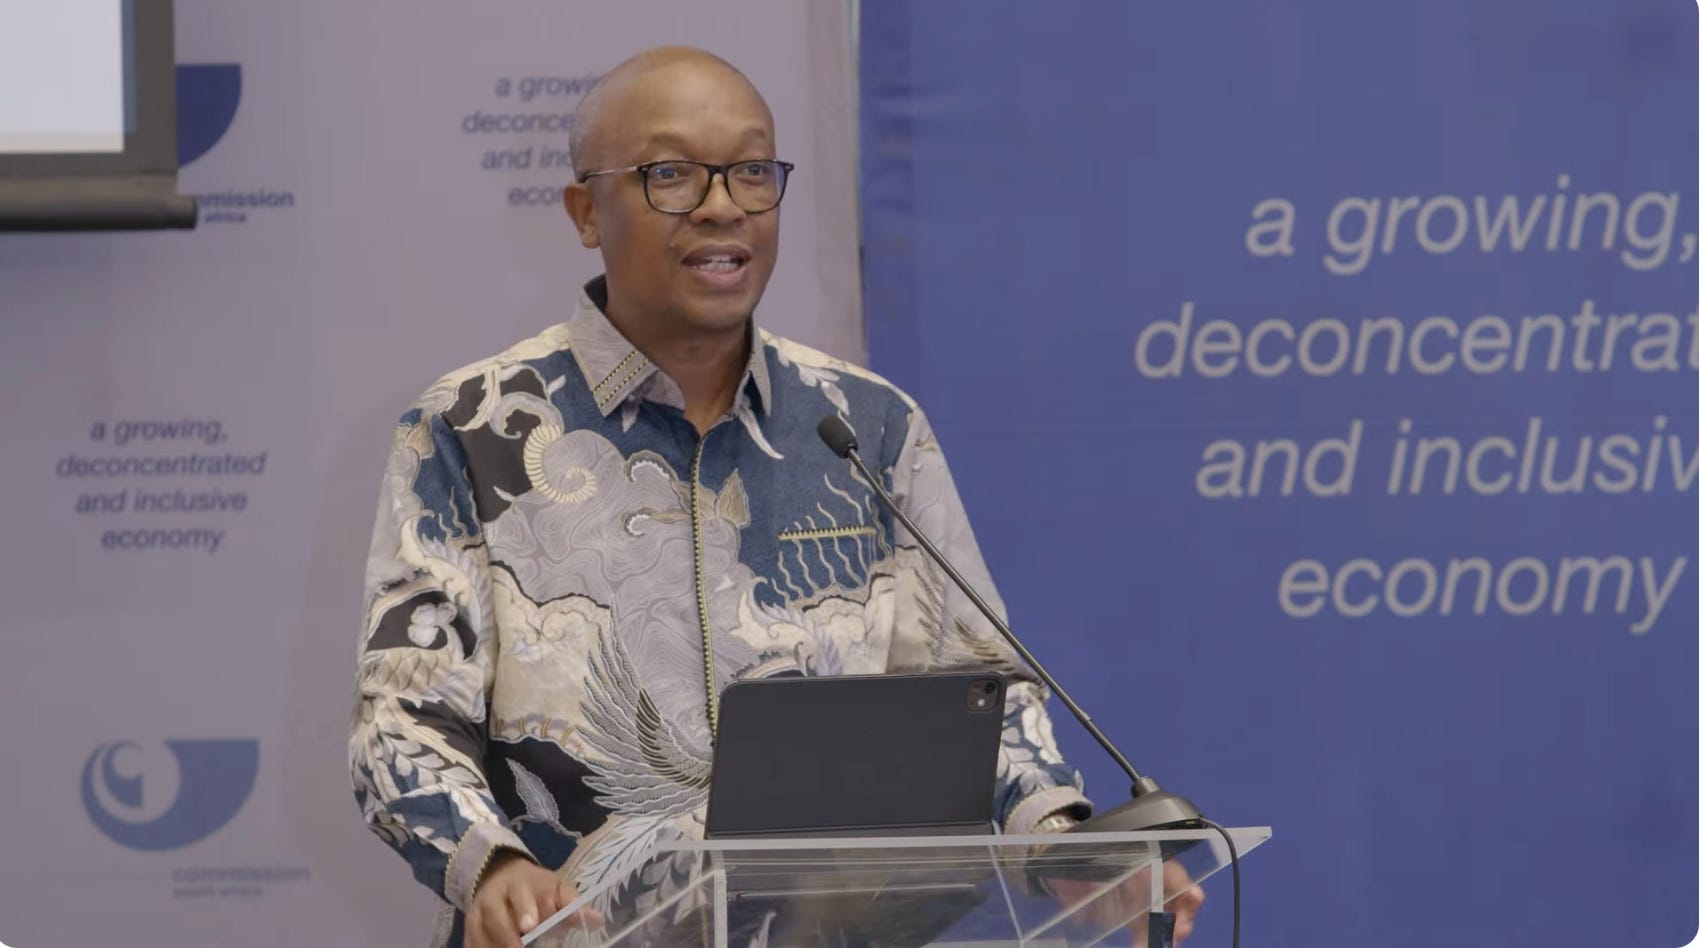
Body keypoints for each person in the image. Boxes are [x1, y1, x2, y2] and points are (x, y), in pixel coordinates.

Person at [350, 46, 1203, 948]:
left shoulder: (865, 425)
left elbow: (975, 693)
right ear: (585, 211)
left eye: (752, 171)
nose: (723, 205)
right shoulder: (472, 427)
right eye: (671, 174)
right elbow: (402, 719)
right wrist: (492, 866)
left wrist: (1063, 844)